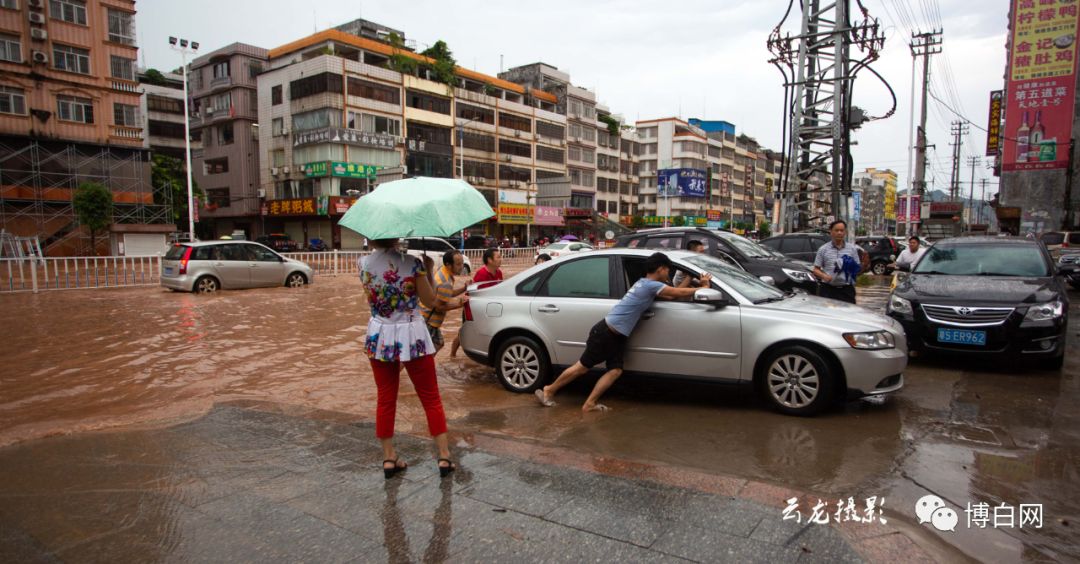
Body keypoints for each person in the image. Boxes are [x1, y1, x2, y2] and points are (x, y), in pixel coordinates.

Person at [536, 252, 712, 412]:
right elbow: (678, 291)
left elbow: (673, 295)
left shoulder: (644, 284)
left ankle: (589, 404)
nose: (669, 274)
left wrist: (689, 278)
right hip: (605, 333)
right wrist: (703, 288)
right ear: (660, 269)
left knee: (615, 370)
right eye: (668, 271)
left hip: (614, 335)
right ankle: (549, 390)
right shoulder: (650, 285)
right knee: (582, 367)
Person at [359, 239, 455, 479]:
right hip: (412, 335)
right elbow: (431, 301)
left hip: (380, 335)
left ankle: (389, 457)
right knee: (430, 396)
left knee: (386, 397)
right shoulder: (413, 263)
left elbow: (376, 302)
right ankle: (443, 456)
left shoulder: (362, 263)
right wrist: (429, 271)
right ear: (395, 236)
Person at [420, 250, 469, 353]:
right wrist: (459, 304)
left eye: (462, 263)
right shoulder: (446, 282)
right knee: (420, 352)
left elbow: (446, 294)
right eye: (458, 264)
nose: (462, 266)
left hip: (424, 316)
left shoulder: (442, 271)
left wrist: (463, 288)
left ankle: (428, 367)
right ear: (448, 265)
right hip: (429, 320)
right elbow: (439, 307)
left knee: (437, 344)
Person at [812, 219, 862, 304]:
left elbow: (857, 268)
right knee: (828, 314)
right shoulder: (823, 249)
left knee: (849, 314)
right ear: (831, 232)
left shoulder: (852, 249)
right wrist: (824, 276)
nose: (839, 233)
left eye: (842, 230)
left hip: (847, 290)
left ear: (845, 232)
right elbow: (815, 269)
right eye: (836, 230)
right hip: (828, 289)